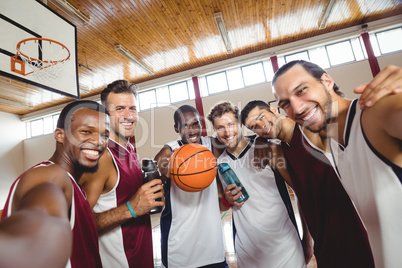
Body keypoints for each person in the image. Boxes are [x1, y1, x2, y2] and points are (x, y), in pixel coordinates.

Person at [271, 60, 402, 267]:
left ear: (327, 81)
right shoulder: (331, 140)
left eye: (301, 90)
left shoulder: (374, 112)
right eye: (285, 103)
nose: (296, 107)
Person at [241, 100, 375, 267]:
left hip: (356, 227)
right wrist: (307, 239)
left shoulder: (311, 128)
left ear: (273, 109)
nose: (261, 126)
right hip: (323, 236)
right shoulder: (279, 152)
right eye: (254, 127)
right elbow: (301, 193)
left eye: (261, 117)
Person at [1, 100, 109, 267]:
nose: (99, 141)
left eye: (105, 135)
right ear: (60, 135)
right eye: (87, 131)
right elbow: (40, 217)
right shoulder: (51, 175)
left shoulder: (75, 186)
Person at [207, 101, 308, 268]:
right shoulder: (219, 163)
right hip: (247, 252)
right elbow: (220, 206)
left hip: (285, 247)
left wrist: (307, 239)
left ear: (239, 124)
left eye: (231, 124)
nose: (227, 132)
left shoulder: (270, 149)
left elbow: (302, 192)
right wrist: (227, 200)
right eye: (220, 127)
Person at [79, 80, 164, 268]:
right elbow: (79, 223)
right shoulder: (103, 157)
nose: (128, 115)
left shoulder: (130, 149)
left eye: (132, 108)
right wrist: (132, 208)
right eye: (120, 108)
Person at [154, 104, 228, 268]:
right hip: (179, 247)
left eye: (196, 124)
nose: (192, 131)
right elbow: (150, 185)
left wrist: (260, 140)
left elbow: (240, 142)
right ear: (176, 128)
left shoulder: (212, 145)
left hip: (212, 248)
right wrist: (164, 177)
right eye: (185, 126)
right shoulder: (169, 152)